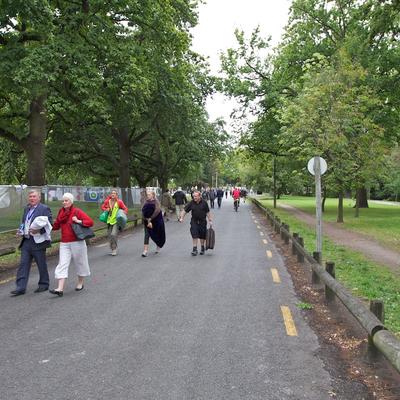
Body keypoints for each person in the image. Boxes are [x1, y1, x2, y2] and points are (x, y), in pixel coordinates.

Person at [49, 193, 93, 297]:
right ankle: (60, 289)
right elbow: (56, 226)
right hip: (64, 242)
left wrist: (78, 221)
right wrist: (47, 226)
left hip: (77, 241)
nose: (64, 202)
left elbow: (90, 222)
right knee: (62, 264)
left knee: (80, 262)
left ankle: (80, 283)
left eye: (66, 200)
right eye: (63, 200)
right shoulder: (61, 212)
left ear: (71, 201)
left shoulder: (76, 211)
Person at [11, 189, 53, 296]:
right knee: (23, 264)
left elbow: (50, 224)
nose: (32, 198)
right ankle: (20, 287)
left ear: (39, 198)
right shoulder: (26, 209)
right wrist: (20, 230)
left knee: (41, 263)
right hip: (26, 240)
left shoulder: (44, 208)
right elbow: (24, 222)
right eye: (30, 197)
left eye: (34, 196)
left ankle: (44, 284)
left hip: (38, 241)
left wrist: (39, 230)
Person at [179, 191, 213, 256]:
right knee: (194, 234)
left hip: (202, 221)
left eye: (195, 196)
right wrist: (181, 218)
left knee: (202, 235)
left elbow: (207, 212)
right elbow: (185, 210)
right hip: (194, 221)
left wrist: (210, 220)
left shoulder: (204, 203)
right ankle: (194, 249)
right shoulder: (191, 203)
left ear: (199, 196)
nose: (194, 197)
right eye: (193, 196)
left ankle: (202, 248)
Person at [101, 189, 128, 256]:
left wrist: (123, 213)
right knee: (109, 235)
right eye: (112, 193)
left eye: (114, 193)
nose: (113, 194)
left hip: (116, 221)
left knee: (113, 234)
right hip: (109, 221)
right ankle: (112, 249)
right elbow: (103, 207)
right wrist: (105, 209)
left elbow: (125, 209)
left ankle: (114, 249)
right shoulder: (108, 201)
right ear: (110, 194)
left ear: (116, 195)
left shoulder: (119, 202)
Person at [141, 190, 166, 257]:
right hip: (147, 221)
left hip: (156, 221)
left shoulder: (156, 202)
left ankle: (158, 245)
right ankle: (145, 251)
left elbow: (157, 211)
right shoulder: (146, 202)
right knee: (147, 234)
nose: (148, 195)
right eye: (147, 194)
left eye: (149, 194)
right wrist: (146, 219)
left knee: (157, 233)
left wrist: (150, 219)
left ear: (153, 195)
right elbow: (143, 210)